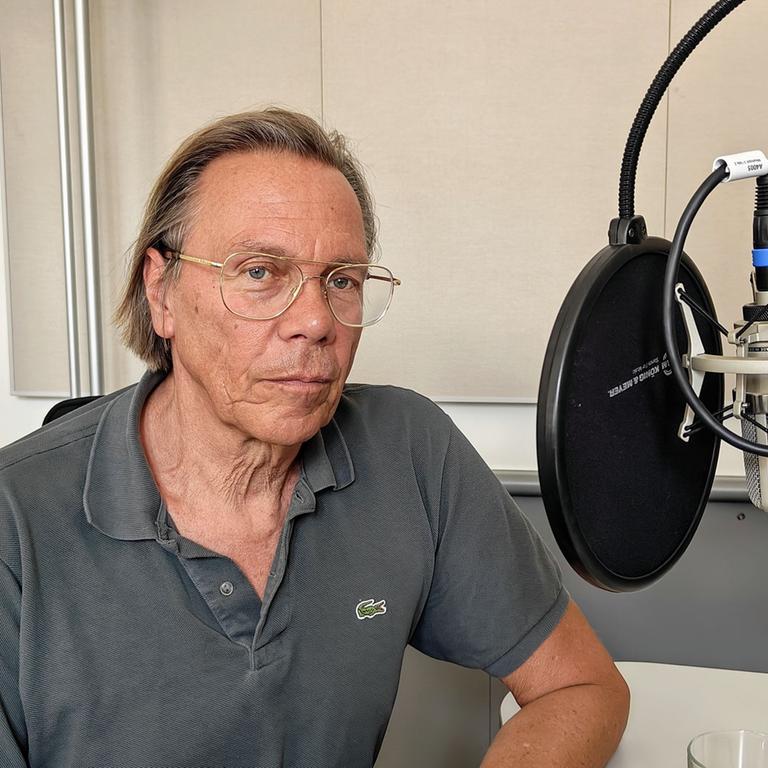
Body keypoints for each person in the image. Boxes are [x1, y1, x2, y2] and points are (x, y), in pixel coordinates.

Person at [0, 108, 628, 767]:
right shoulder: (15, 524)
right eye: (259, 272)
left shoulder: (408, 451)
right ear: (162, 291)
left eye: (342, 280)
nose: (314, 321)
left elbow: (582, 685)